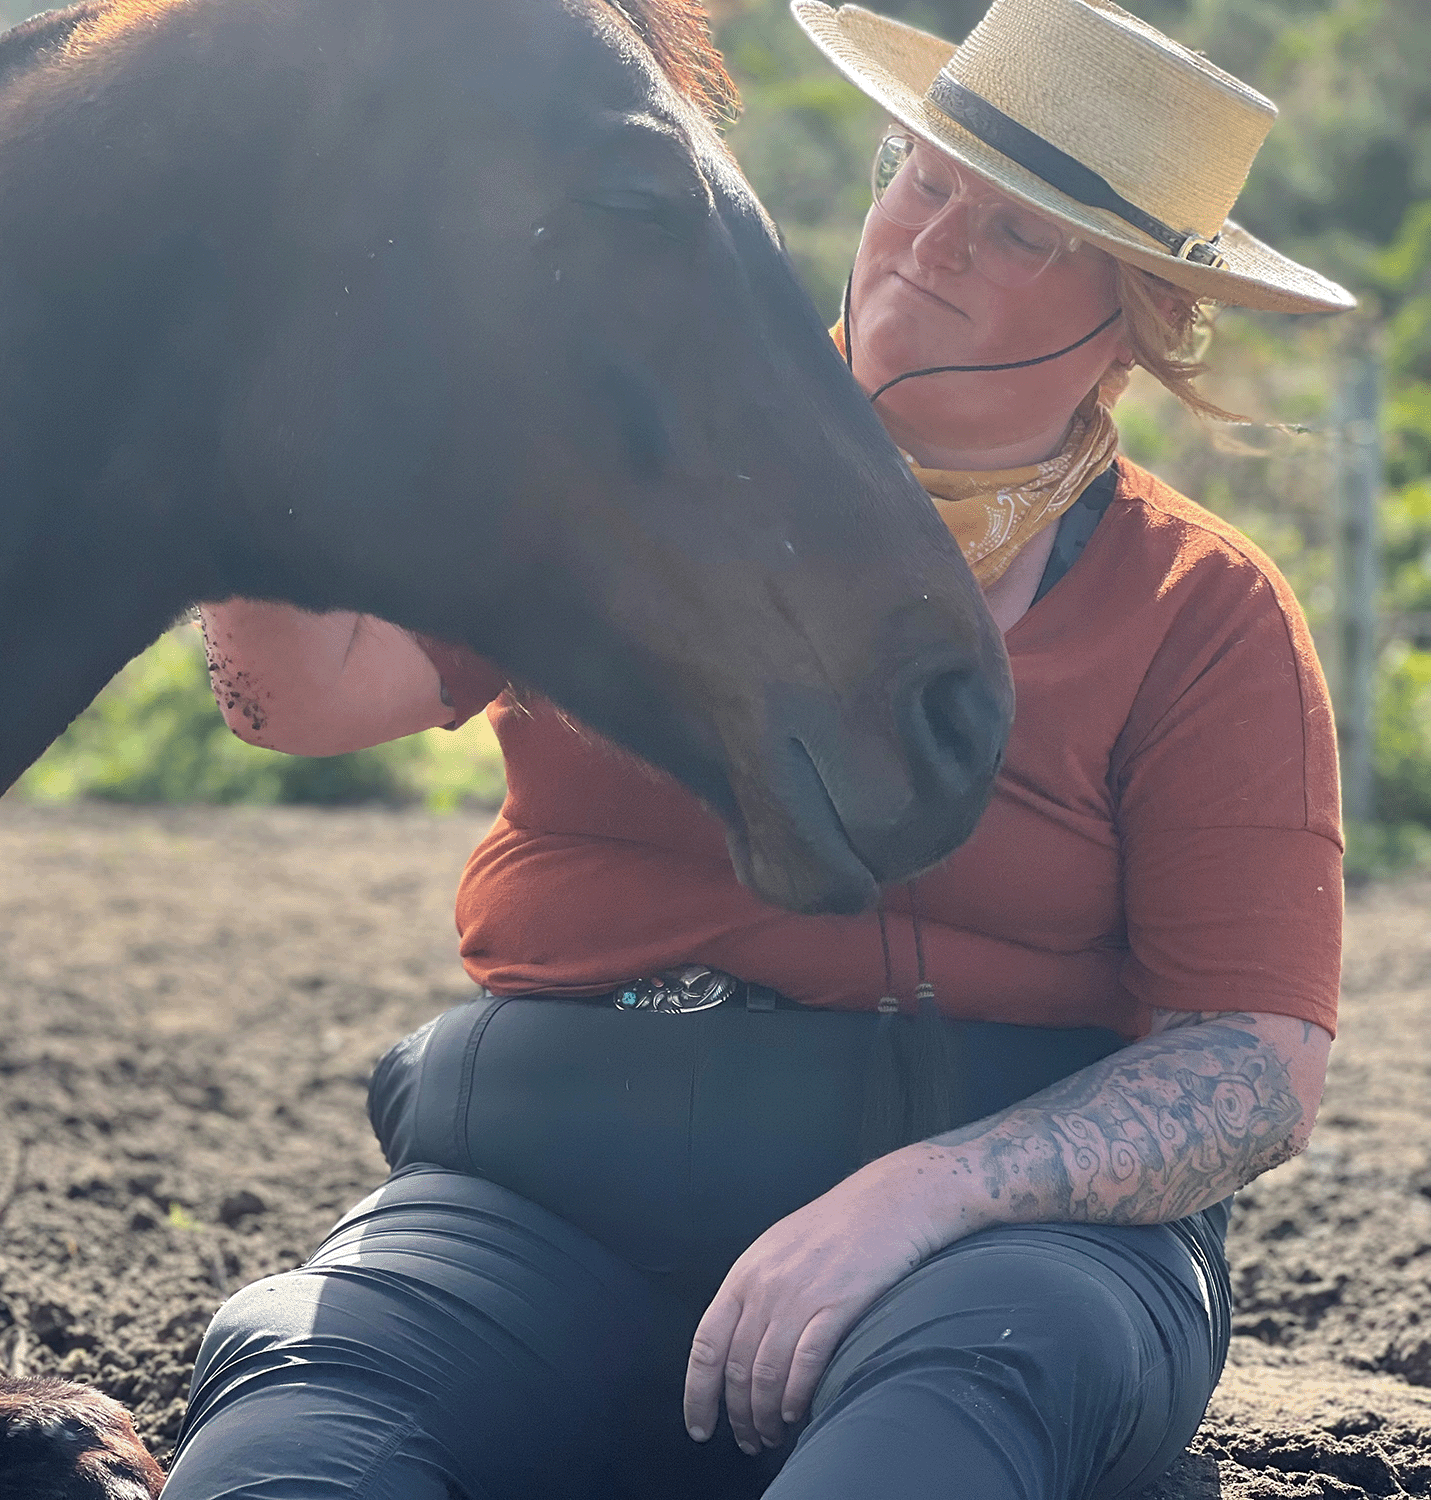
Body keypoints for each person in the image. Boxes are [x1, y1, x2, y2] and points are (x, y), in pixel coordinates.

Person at [162, 1, 1355, 1496]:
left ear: (1137, 318)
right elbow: (305, 697)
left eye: (1017, 233)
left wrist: (931, 1194)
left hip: (1002, 1257)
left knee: (937, 1439)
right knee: (291, 1424)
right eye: (920, 176)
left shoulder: (1206, 613)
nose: (928, 237)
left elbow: (1253, 1063)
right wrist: (244, 451)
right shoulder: (622, 478)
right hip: (543, 1195)